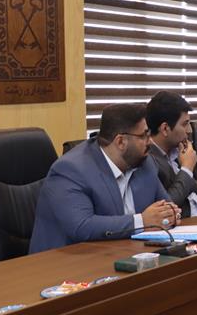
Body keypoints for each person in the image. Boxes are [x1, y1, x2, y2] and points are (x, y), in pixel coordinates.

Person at [29, 104, 178, 253]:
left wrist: (170, 214)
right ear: (120, 142)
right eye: (143, 135)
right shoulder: (71, 169)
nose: (150, 141)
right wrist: (142, 221)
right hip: (66, 260)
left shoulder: (144, 162)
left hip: (124, 252)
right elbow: (82, 226)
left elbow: (166, 205)